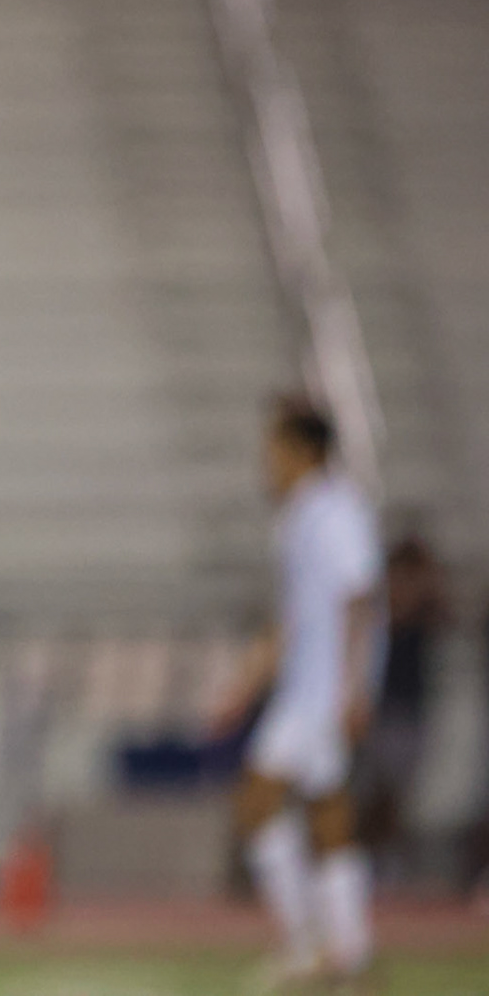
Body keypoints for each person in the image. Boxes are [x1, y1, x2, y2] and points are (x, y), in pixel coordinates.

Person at [212, 395, 383, 992]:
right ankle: (348, 952)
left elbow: (360, 598)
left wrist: (356, 689)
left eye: (275, 450)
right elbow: (290, 618)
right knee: (328, 816)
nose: (267, 463)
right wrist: (246, 683)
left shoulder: (336, 511)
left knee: (256, 803)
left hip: (320, 695)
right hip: (307, 690)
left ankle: (305, 942)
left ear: (304, 451)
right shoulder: (299, 516)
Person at [353, 532, 448, 880]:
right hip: (382, 709)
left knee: (396, 799)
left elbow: (442, 618)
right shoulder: (382, 607)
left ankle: (389, 865)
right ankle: (369, 864)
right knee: (372, 796)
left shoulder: (427, 606)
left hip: (409, 712)